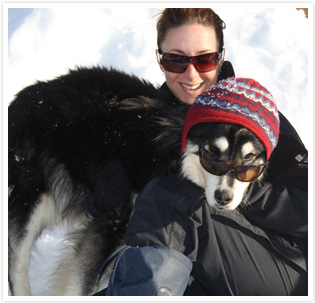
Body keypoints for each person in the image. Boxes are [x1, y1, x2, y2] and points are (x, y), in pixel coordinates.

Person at [93, 8, 308, 296]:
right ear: (160, 59)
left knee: (169, 197)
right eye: (176, 60)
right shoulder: (156, 120)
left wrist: (242, 185)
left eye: (204, 59)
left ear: (219, 58)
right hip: (204, 266)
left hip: (290, 273)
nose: (191, 73)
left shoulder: (257, 119)